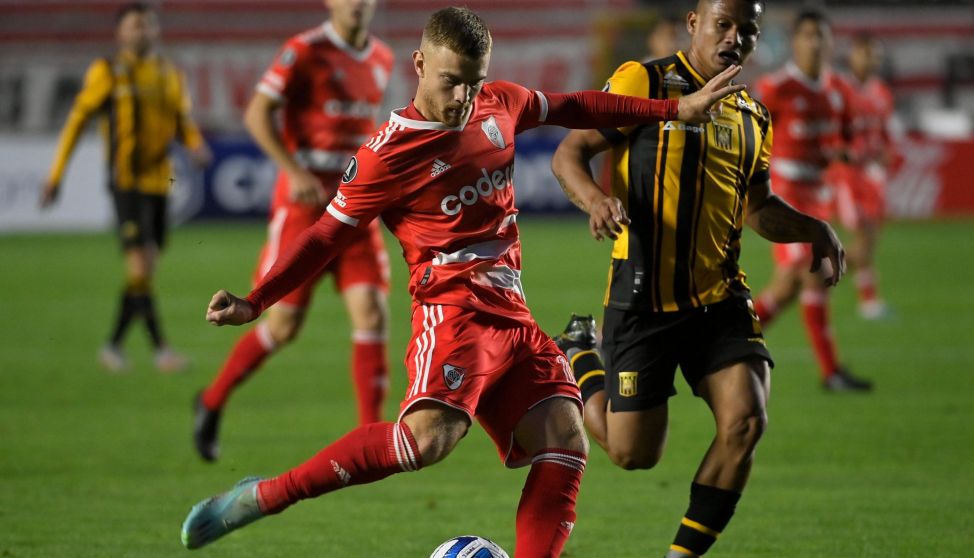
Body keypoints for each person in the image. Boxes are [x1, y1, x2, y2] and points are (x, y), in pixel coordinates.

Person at [179, 7, 744, 555]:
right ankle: (266, 496)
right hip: (453, 313)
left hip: (513, 316)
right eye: (451, 82)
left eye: (473, 82)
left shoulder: (498, 104)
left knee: (566, 440)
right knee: (426, 442)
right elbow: (326, 235)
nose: (462, 98)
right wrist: (256, 301)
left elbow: (574, 105)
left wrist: (673, 109)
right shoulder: (387, 154)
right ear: (419, 64)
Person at [551, 0, 847, 556]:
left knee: (746, 422)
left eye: (747, 30)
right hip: (644, 297)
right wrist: (595, 200)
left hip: (719, 298)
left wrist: (813, 227)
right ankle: (579, 354)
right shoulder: (645, 82)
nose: (735, 38)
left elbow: (758, 208)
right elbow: (571, 152)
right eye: (723, 24)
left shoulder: (753, 117)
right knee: (633, 453)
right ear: (695, 24)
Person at [191, 0, 394, 462]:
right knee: (282, 326)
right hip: (304, 206)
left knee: (372, 313)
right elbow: (256, 113)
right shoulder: (305, 50)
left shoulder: (382, 57)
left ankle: (370, 440)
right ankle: (212, 400)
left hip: (355, 203)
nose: (357, 3)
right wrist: (293, 169)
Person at [40, 2, 211, 373]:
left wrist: (195, 144)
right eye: (135, 25)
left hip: (160, 183)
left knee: (144, 272)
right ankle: (161, 350)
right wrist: (56, 175)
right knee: (139, 266)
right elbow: (76, 123)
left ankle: (113, 346)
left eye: (148, 25)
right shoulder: (107, 71)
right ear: (120, 33)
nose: (143, 31)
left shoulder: (169, 72)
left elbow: (181, 120)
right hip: (126, 182)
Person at [750, 9, 872, 391]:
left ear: (831, 42)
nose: (815, 43)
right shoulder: (776, 88)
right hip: (783, 192)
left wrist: (847, 152)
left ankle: (727, 343)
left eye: (821, 35)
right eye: (807, 35)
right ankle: (830, 372)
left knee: (792, 286)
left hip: (819, 194)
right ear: (794, 42)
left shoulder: (839, 89)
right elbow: (749, 136)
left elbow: (850, 137)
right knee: (807, 272)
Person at [829, 33, 894, 320]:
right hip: (849, 175)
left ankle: (864, 298)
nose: (869, 60)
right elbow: (830, 128)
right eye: (864, 53)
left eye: (874, 55)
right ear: (852, 55)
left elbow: (884, 131)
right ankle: (818, 277)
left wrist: (886, 152)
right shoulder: (840, 89)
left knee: (870, 240)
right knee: (863, 238)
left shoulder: (882, 92)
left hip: (872, 175)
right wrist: (840, 151)